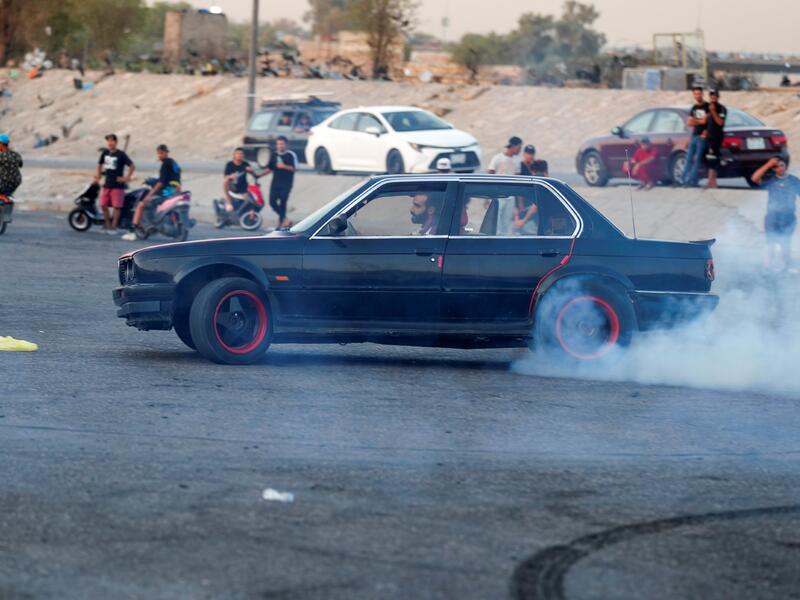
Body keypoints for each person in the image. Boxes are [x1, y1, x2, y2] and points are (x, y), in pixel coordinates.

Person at [751, 156, 800, 270]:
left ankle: (785, 268)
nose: (780, 168)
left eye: (782, 165)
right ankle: (767, 268)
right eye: (777, 167)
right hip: (772, 217)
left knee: (785, 243)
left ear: (785, 166)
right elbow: (754, 178)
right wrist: (768, 164)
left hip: (788, 217)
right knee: (770, 242)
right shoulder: (771, 180)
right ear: (773, 169)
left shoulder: (793, 180)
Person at [122, 144, 180, 240]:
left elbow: (160, 183)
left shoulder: (165, 164)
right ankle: (151, 225)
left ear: (166, 152)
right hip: (173, 192)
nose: (159, 155)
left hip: (165, 192)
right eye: (158, 153)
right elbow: (175, 180)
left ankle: (133, 230)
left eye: (161, 153)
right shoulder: (174, 163)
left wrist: (148, 196)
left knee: (140, 205)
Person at [95, 133, 135, 234]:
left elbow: (132, 166)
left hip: (118, 185)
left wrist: (126, 178)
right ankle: (107, 225)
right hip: (107, 184)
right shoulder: (105, 153)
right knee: (103, 205)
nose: (110, 143)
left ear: (116, 142)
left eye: (112, 140)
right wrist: (98, 175)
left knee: (117, 207)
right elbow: (99, 164)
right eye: (108, 141)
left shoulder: (121, 154)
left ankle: (113, 227)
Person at [264, 136, 297, 228]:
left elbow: (294, 168)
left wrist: (284, 166)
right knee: (272, 202)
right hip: (275, 183)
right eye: (278, 144)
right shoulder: (274, 155)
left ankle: (281, 223)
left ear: (286, 145)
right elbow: (269, 168)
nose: (280, 146)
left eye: (282, 144)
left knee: (283, 202)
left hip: (286, 183)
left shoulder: (290, 155)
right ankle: (285, 219)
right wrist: (258, 175)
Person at [220, 147, 258, 226]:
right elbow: (225, 177)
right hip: (233, 186)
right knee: (225, 182)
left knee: (250, 199)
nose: (240, 155)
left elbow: (254, 175)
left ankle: (248, 214)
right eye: (238, 154)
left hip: (243, 187)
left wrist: (251, 171)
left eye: (241, 154)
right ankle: (229, 203)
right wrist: (230, 177)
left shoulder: (245, 164)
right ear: (234, 155)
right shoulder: (230, 164)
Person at [683, 85, 709, 187]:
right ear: (693, 95)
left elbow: (705, 121)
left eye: (699, 93)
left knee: (697, 160)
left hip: (702, 138)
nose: (697, 96)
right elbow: (689, 123)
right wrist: (699, 121)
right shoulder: (694, 108)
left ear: (702, 94)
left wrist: (695, 120)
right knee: (688, 159)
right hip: (694, 136)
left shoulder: (707, 107)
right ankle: (682, 180)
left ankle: (691, 181)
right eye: (695, 94)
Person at [704, 89, 727, 189]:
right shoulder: (707, 108)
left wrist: (713, 111)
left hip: (716, 137)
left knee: (713, 159)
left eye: (715, 95)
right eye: (711, 95)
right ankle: (712, 181)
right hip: (708, 137)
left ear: (718, 97)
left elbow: (720, 122)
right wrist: (704, 130)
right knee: (710, 159)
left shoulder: (721, 108)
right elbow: (706, 122)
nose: (713, 97)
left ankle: (712, 182)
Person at [0, 133, 23, 198]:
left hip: (4, 182)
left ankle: (3, 196)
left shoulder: (1, 156)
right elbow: (20, 165)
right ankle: (6, 195)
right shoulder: (16, 154)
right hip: (16, 181)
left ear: (1, 144)